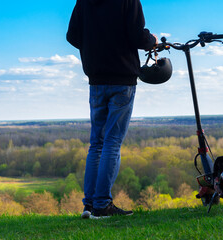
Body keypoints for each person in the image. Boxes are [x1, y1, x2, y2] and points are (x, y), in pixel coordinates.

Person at [66, 0, 157, 219]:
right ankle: (102, 204)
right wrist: (152, 40)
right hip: (122, 79)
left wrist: (94, 46)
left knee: (96, 143)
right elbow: (137, 36)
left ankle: (89, 205)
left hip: (96, 78)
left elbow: (72, 36)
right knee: (112, 142)